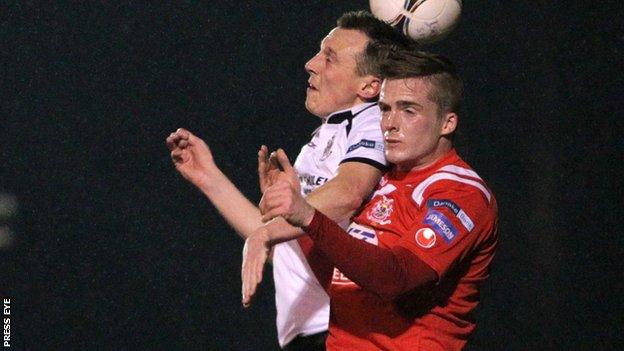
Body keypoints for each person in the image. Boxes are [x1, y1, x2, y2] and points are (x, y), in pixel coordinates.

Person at [166, 11, 412, 350]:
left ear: (369, 85)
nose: (311, 64)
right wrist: (208, 176)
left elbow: (349, 191)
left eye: (330, 58)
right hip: (309, 331)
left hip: (345, 329)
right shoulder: (325, 136)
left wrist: (268, 231)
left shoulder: (371, 121)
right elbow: (284, 247)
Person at [246, 47, 499, 350]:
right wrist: (294, 210)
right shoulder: (383, 181)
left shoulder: (460, 193)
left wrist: (309, 216)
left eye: (408, 110)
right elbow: (344, 275)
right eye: (385, 108)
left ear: (448, 123)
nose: (390, 123)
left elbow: (395, 279)